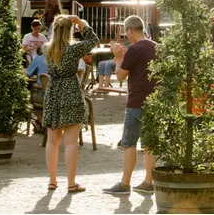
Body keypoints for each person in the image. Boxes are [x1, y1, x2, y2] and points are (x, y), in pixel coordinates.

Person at [43, 15, 98, 193]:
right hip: (71, 91)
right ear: (69, 30)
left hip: (53, 93)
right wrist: (82, 23)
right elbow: (94, 40)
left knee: (52, 142)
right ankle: (71, 183)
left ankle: (52, 181)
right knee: (71, 143)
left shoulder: (46, 49)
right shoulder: (74, 49)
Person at [103, 15, 158, 195]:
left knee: (129, 143)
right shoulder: (156, 46)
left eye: (126, 32)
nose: (126, 36)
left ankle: (125, 183)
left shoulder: (134, 50)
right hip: (154, 100)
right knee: (150, 143)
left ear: (131, 30)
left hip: (136, 101)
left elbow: (120, 76)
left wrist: (118, 57)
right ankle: (149, 181)